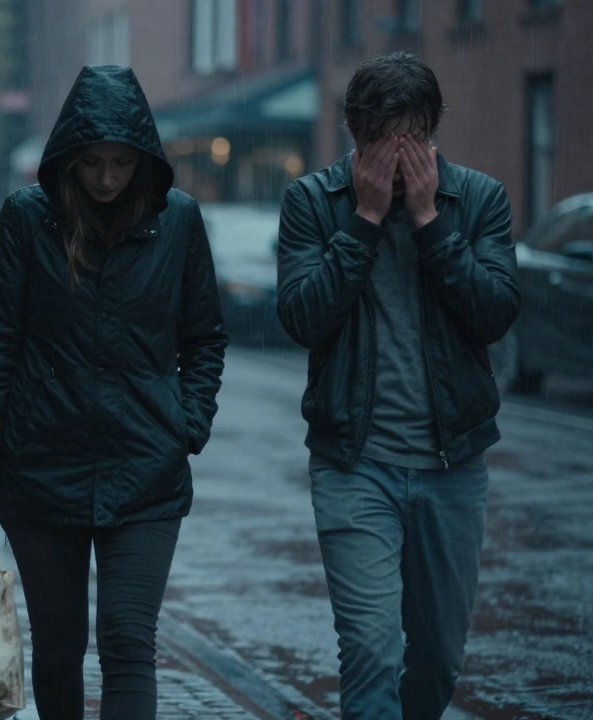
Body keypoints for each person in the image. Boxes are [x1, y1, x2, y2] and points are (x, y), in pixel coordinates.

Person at [0, 65, 227, 719]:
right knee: (58, 648)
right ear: (68, 160)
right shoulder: (29, 219)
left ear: (144, 160)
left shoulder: (178, 221)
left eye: (121, 163)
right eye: (93, 164)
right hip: (42, 466)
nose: (107, 179)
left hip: (147, 470)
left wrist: (184, 424)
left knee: (129, 640)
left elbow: (205, 339)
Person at [276, 52, 518, 718]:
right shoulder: (313, 203)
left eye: (412, 135)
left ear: (433, 131)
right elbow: (302, 317)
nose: (399, 152)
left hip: (453, 465)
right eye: (384, 138)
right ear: (357, 135)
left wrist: (431, 224)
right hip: (355, 465)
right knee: (372, 647)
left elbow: (495, 313)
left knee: (438, 657)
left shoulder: (477, 201)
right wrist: (364, 220)